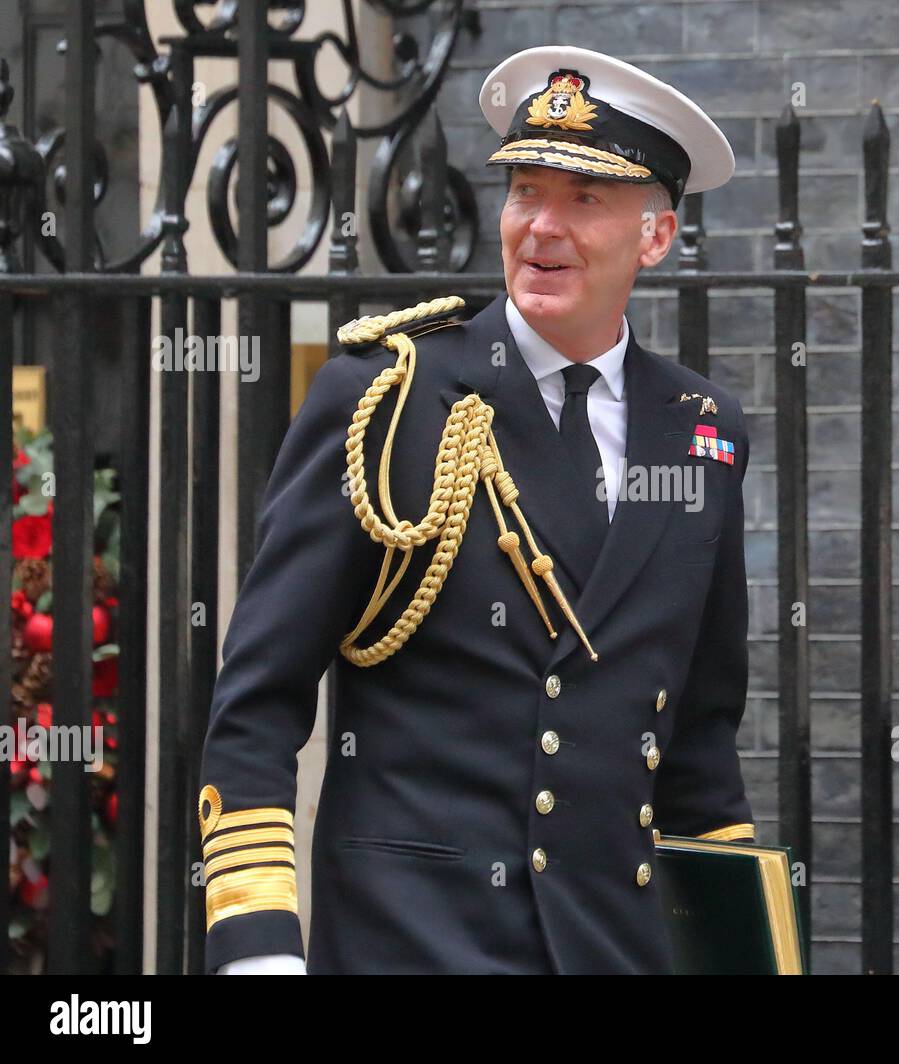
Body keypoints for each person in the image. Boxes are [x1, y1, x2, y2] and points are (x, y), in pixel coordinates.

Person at [199, 45, 754, 975]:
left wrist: (737, 952)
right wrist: (257, 946)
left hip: (613, 950)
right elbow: (256, 702)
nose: (542, 226)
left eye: (584, 200)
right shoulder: (386, 397)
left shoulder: (703, 431)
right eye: (525, 192)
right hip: (411, 941)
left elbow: (698, 740)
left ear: (654, 237)